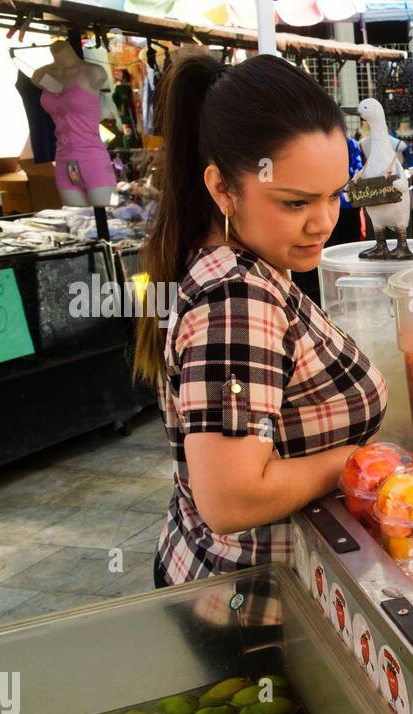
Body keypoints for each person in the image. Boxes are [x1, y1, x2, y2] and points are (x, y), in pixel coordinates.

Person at [135, 50, 387, 587]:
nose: (323, 221)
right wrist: (356, 460)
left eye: (335, 194)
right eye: (295, 203)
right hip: (243, 605)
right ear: (222, 188)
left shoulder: (250, 260)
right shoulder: (236, 299)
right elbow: (233, 498)